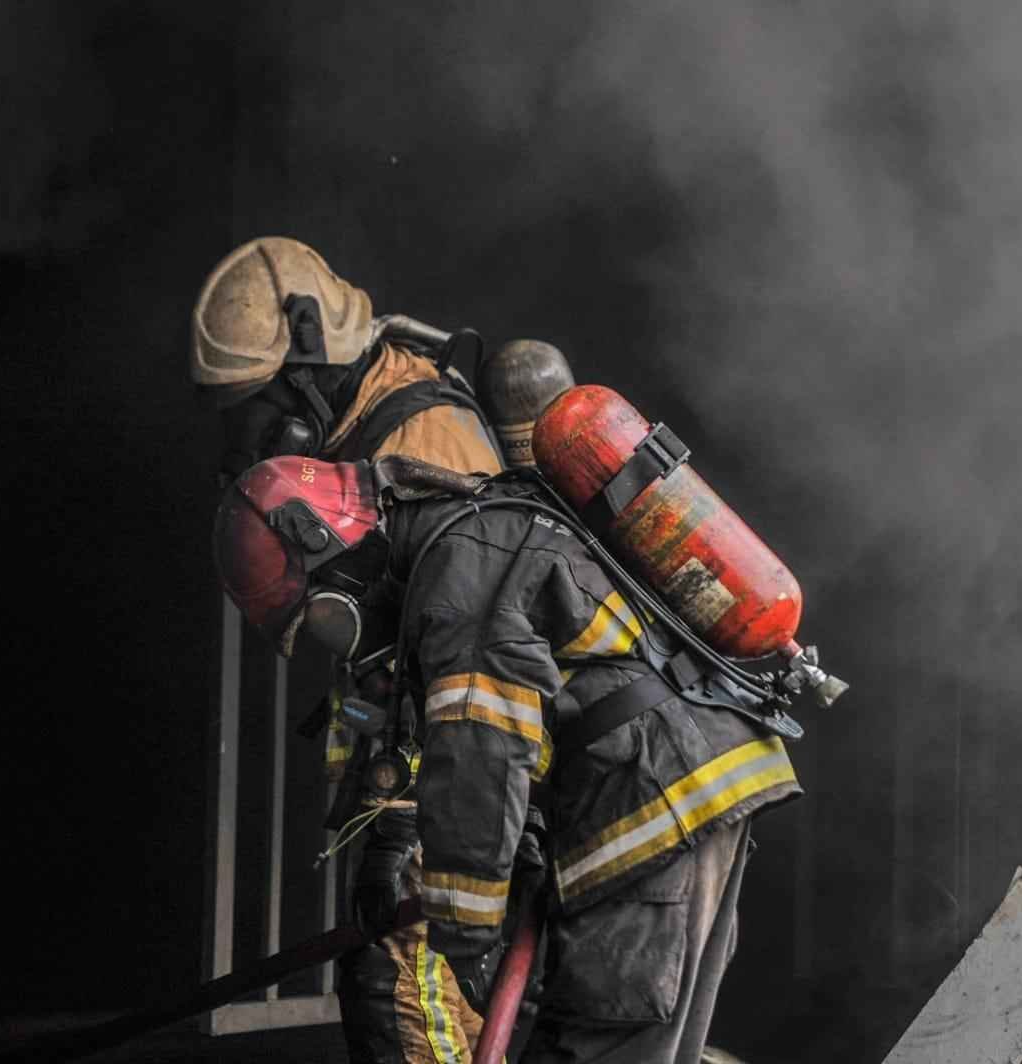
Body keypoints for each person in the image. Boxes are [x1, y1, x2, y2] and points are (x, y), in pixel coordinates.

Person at [212, 454, 803, 1064]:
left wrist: (466, 941)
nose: (345, 644)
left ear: (335, 543)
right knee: (651, 1047)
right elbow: (548, 719)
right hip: (694, 782)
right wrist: (524, 856)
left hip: (655, 800)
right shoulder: (475, 533)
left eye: (326, 617)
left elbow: (481, 759)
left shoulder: (457, 579)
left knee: (598, 1041)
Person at [190, 236, 503, 1063]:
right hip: (435, 792)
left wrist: (404, 821)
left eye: (252, 407)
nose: (247, 440)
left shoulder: (423, 444)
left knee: (408, 1000)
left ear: (305, 361)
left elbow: (461, 655)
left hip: (459, 800)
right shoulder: (362, 432)